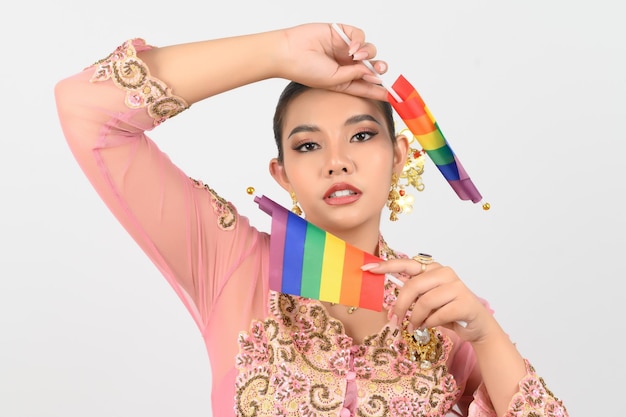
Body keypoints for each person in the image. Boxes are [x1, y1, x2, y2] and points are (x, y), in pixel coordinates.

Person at [55, 23, 569, 417]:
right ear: (282, 173)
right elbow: (86, 108)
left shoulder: (440, 305)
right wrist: (277, 52)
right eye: (308, 144)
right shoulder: (232, 264)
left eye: (362, 136)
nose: (337, 160)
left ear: (401, 154)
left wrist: (485, 334)